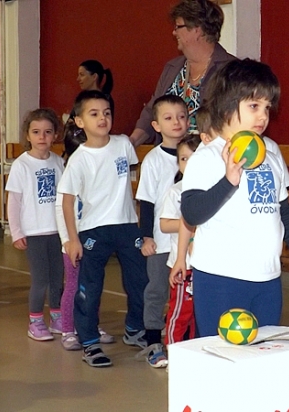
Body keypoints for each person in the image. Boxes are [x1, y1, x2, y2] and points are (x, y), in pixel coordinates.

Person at [180, 58, 289, 337]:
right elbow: (191, 213)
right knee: (219, 353)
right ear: (226, 105)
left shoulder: (271, 151)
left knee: (262, 353)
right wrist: (228, 181)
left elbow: (281, 210)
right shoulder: (207, 157)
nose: (263, 116)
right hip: (220, 279)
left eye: (267, 107)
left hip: (267, 278)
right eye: (254, 106)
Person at [57, 90, 148, 367]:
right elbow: (67, 201)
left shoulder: (123, 145)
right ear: (79, 121)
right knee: (90, 288)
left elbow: (128, 181)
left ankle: (135, 328)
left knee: (139, 282)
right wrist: (72, 239)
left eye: (107, 113)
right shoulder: (79, 159)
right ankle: (89, 343)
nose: (102, 118)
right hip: (93, 231)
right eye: (94, 113)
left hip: (126, 226)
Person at [129, 0, 235, 146]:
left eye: (178, 26)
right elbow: (152, 112)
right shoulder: (172, 67)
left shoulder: (233, 70)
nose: (174, 32)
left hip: (212, 155)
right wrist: (131, 142)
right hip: (169, 156)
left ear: (197, 29)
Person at [135, 94, 189, 368]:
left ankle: (185, 339)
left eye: (181, 116)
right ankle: (154, 341)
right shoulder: (153, 160)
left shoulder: (198, 154)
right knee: (157, 290)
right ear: (156, 125)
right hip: (161, 239)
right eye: (168, 118)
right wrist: (146, 236)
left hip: (188, 241)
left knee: (186, 292)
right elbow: (146, 201)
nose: (176, 122)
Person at [55, 121, 115, 351]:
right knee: (73, 285)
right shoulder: (68, 182)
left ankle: (90, 326)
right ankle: (68, 330)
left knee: (92, 286)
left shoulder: (94, 178)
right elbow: (61, 212)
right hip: (73, 244)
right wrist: (68, 241)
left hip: (92, 241)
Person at [6, 108, 65, 341]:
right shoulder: (21, 165)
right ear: (27, 135)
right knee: (41, 279)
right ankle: (36, 321)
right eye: (36, 132)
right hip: (34, 232)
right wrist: (16, 232)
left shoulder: (58, 163)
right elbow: (14, 201)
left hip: (57, 231)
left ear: (55, 135)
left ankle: (57, 317)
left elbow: (66, 197)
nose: (42, 137)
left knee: (57, 278)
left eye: (48, 132)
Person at [163, 134, 202, 345]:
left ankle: (194, 352)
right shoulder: (176, 191)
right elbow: (164, 224)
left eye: (194, 158)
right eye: (183, 159)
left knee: (199, 315)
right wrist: (190, 223)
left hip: (205, 266)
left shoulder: (212, 191)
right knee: (180, 313)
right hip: (183, 267)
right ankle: (172, 351)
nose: (189, 163)